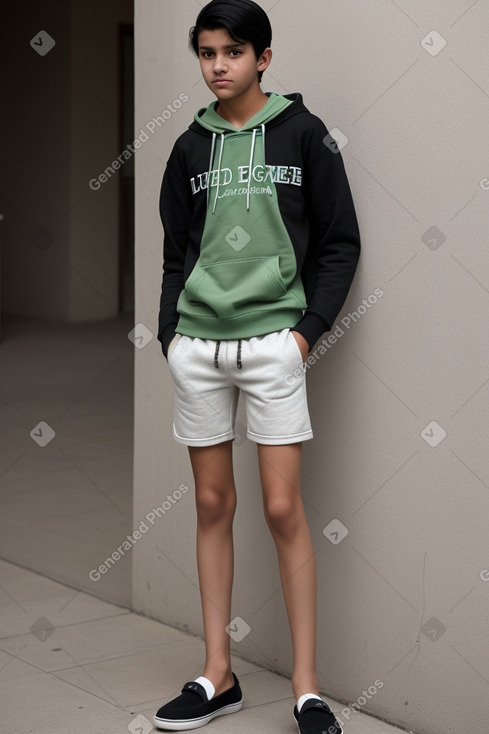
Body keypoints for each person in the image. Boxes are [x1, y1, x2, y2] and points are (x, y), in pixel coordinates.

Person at [154, 1, 360, 732]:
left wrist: (304, 334)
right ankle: (218, 674)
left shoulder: (304, 135)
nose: (218, 65)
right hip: (199, 349)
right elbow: (178, 253)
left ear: (263, 58)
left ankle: (306, 689)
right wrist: (170, 333)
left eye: (233, 52)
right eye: (207, 52)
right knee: (212, 506)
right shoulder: (187, 147)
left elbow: (339, 243)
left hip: (274, 344)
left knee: (280, 509)